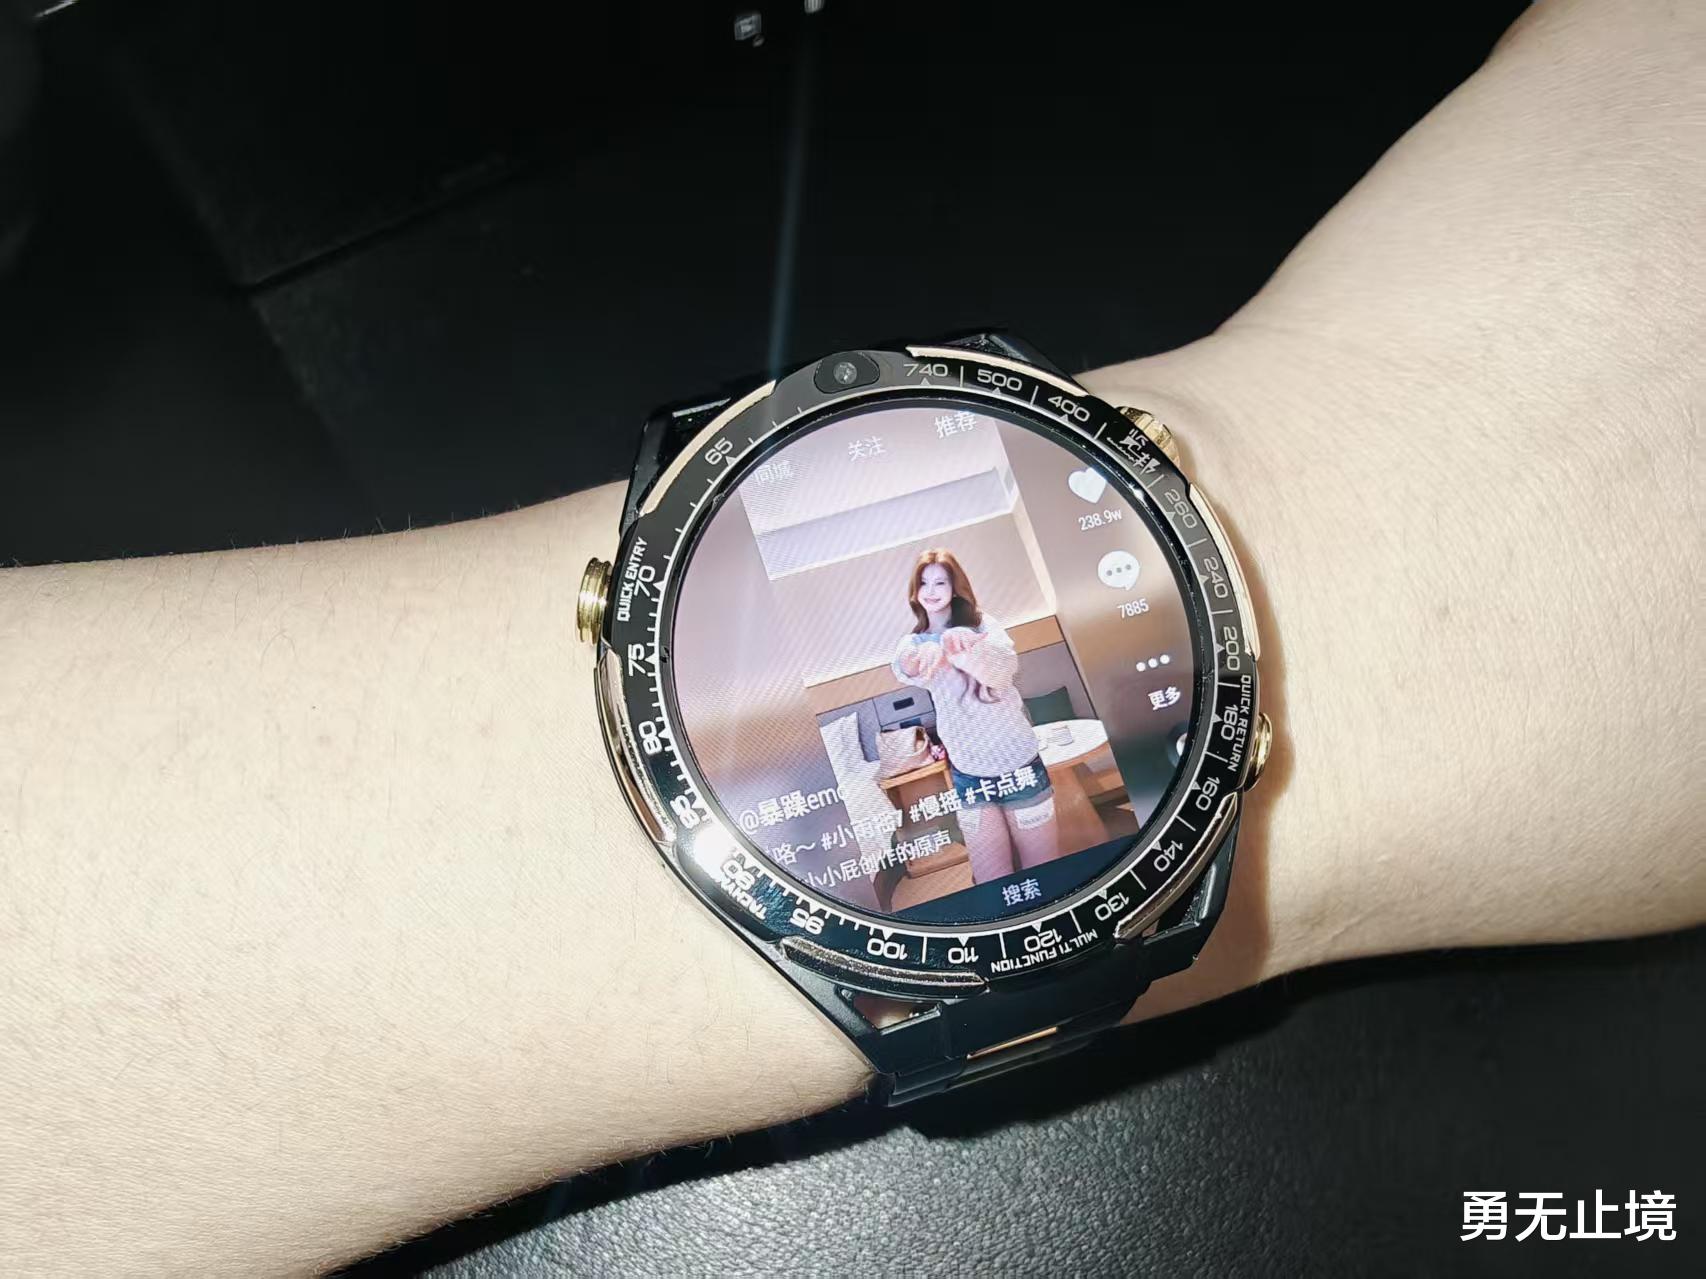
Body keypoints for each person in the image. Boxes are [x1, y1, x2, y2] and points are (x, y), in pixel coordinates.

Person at [0, 1, 1700, 1272]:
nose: (939, 594)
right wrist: (1350, 537)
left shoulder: (988, 626)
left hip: (1028, 770)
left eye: (945, 581)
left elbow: (1009, 676)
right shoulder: (881, 648)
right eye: (930, 588)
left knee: (1022, 824)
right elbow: (890, 716)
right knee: (988, 844)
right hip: (953, 812)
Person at [891, 550, 1060, 883]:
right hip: (968, 774)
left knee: (1045, 873)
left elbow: (1003, 672)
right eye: (923, 583)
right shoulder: (913, 642)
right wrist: (927, 653)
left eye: (940, 582)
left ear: (955, 587)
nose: (931, 591)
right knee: (990, 880)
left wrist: (966, 649)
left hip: (1018, 764)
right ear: (914, 591)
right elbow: (905, 667)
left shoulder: (983, 625)